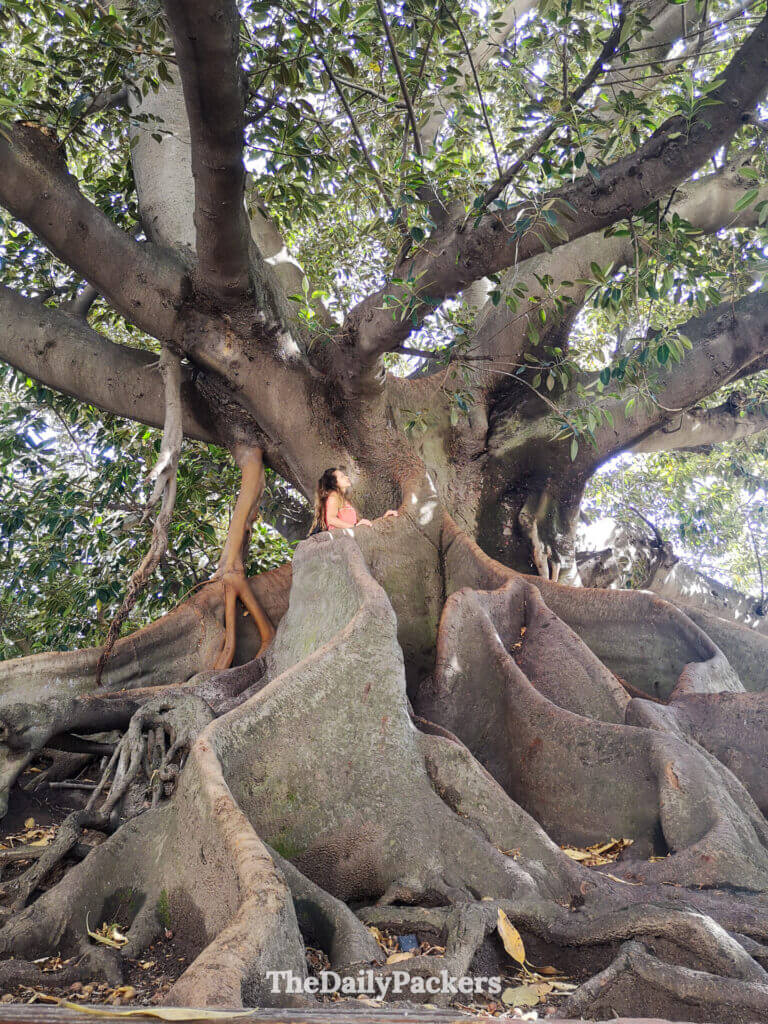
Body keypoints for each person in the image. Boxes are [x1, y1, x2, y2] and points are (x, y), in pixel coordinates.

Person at [309, 468, 398, 534]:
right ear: (335, 483)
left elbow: (361, 525)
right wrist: (354, 527)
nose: (347, 477)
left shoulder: (344, 501)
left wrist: (384, 518)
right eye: (342, 477)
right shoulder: (333, 497)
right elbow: (331, 520)